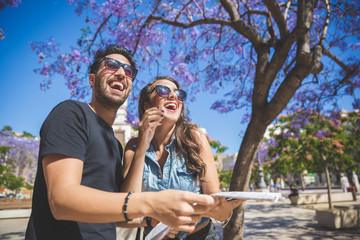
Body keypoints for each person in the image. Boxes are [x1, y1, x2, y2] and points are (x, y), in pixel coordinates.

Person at [25, 45, 218, 240]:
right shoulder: (72, 114)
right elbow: (61, 201)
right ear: (92, 79)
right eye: (111, 65)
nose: (120, 73)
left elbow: (117, 210)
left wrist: (151, 220)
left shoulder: (115, 145)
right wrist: (154, 203)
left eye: (128, 71)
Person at [119, 76, 244, 239]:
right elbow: (126, 213)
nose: (173, 96)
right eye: (163, 91)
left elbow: (219, 212)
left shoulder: (195, 138)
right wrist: (142, 145)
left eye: (179, 94)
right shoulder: (133, 147)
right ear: (147, 105)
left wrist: (226, 208)